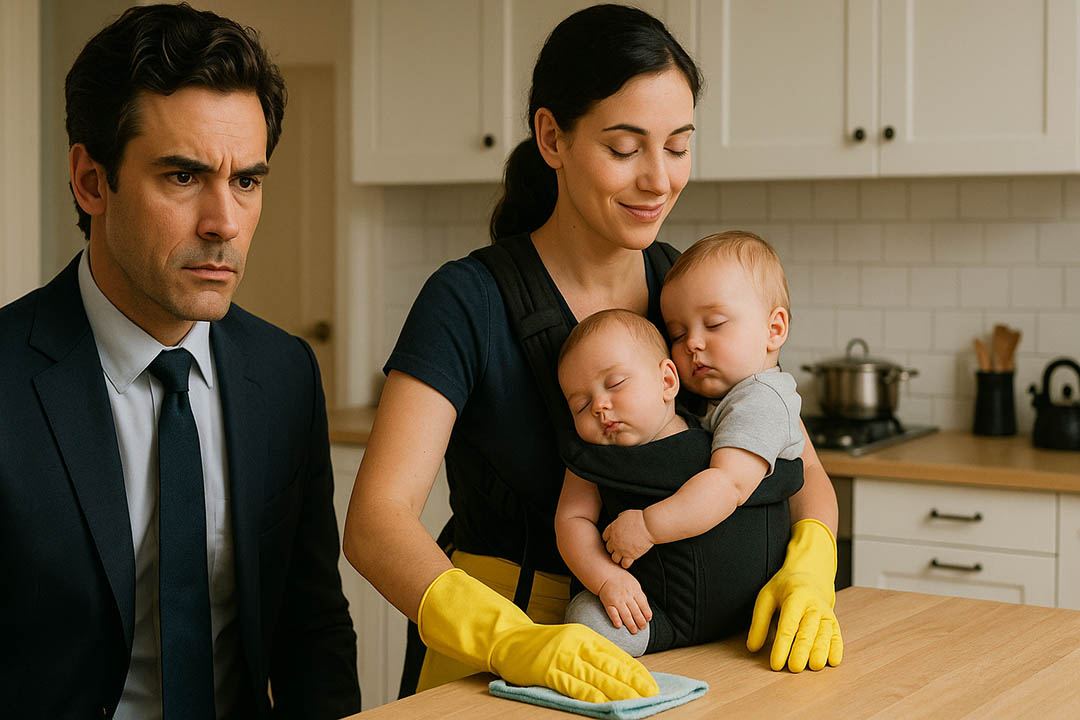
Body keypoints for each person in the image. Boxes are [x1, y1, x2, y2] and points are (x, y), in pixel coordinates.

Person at [343, 3, 842, 705]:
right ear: (552, 137)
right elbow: (374, 525)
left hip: (682, 661)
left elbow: (802, 465)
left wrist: (811, 563)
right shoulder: (466, 300)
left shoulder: (687, 290)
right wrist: (513, 641)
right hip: (493, 674)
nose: (659, 179)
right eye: (624, 147)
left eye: (678, 145)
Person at [0, 5, 360, 718]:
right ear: (91, 181)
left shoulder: (284, 374)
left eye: (247, 182)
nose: (223, 221)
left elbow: (310, 626)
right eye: (183, 177)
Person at [555, 232, 827, 659]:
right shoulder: (710, 404)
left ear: (774, 329)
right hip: (667, 615)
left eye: (714, 325)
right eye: (678, 334)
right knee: (589, 627)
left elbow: (727, 486)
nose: (693, 344)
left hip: (748, 620)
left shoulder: (762, 399)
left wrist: (647, 526)